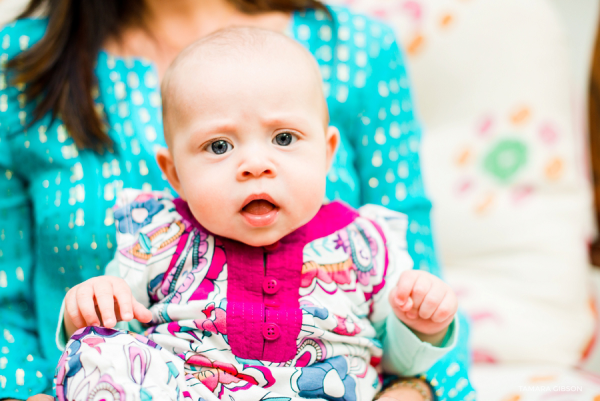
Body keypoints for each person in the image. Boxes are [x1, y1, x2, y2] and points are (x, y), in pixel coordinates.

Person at [0, 1, 475, 400]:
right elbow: (93, 314)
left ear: (328, 152)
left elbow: (415, 319)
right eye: (219, 147)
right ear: (172, 175)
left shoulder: (366, 243)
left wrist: (422, 339)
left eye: (285, 138)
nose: (255, 165)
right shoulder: (158, 238)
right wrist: (86, 308)